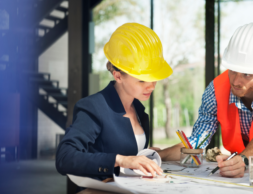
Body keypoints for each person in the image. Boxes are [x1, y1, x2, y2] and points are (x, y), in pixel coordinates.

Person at [158, 23, 253, 178]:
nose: (236, 81)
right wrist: (158, 155)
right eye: (232, 70)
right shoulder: (215, 90)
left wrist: (243, 160)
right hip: (245, 171)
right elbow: (197, 141)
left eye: (246, 74)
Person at [56, 23, 173, 181]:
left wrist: (145, 154)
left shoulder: (138, 109)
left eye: (154, 79)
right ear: (118, 76)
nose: (151, 86)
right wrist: (121, 160)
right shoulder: (94, 107)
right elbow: (64, 158)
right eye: (142, 80)